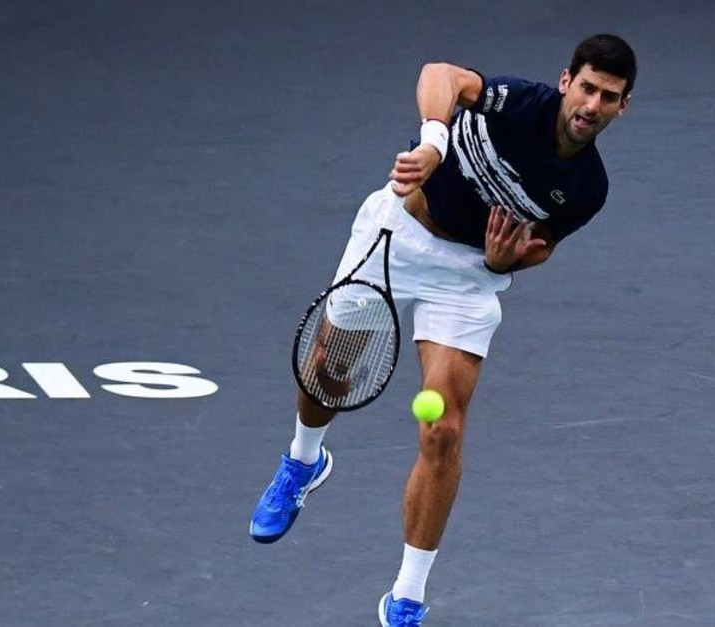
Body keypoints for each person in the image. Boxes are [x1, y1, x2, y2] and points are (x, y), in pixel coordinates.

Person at [249, 34, 637, 626]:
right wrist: (435, 143)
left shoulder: (589, 189)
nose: (592, 105)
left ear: (621, 107)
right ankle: (304, 460)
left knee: (444, 431)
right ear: (566, 82)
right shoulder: (516, 102)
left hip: (467, 278)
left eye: (608, 97)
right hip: (396, 236)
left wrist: (506, 263)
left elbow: (542, 248)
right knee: (328, 370)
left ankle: (406, 596)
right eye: (586, 88)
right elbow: (441, 73)